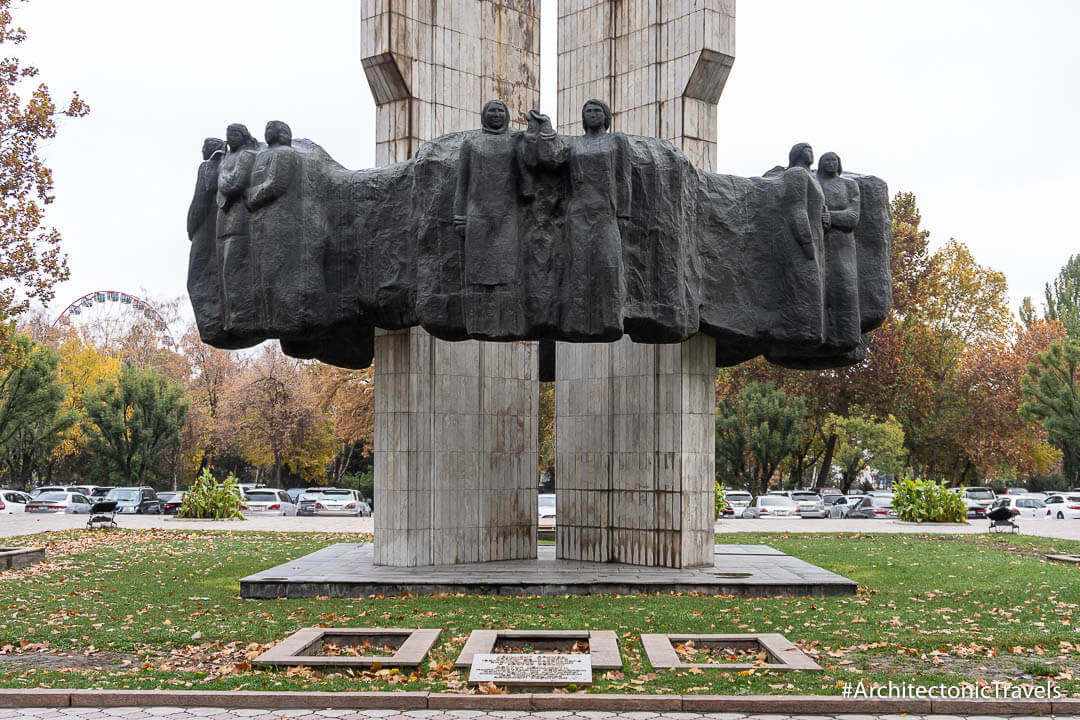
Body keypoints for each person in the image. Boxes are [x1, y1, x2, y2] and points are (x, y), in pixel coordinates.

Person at [453, 99, 526, 336]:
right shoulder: (471, 143)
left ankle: (508, 324)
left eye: (500, 111)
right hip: (478, 214)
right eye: (492, 110)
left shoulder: (516, 140)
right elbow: (462, 184)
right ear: (484, 115)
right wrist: (459, 216)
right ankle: (478, 323)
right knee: (478, 271)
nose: (496, 114)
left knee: (506, 271)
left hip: (507, 215)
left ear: (507, 115)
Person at [246, 120, 304, 334]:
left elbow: (277, 183)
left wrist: (252, 196)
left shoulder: (286, 154)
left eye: (272, 128)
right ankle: (266, 317)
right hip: (259, 219)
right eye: (266, 128)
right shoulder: (261, 155)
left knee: (275, 270)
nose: (267, 131)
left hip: (278, 218)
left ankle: (281, 317)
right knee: (260, 273)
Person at [216, 123, 261, 341]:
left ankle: (240, 316)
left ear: (243, 136)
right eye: (227, 134)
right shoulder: (227, 158)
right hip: (224, 219)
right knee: (225, 271)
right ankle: (229, 317)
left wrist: (221, 174)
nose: (230, 138)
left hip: (239, 220)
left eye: (234, 134)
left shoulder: (246, 156)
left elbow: (234, 184)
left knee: (234, 268)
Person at [816, 151, 862, 352]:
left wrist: (830, 217)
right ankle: (822, 333)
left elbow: (853, 216)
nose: (831, 163)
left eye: (834, 160)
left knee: (845, 287)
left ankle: (847, 334)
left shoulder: (849, 185)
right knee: (822, 287)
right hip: (819, 241)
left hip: (843, 243)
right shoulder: (815, 183)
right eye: (827, 160)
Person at [186, 138, 226, 344]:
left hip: (206, 229)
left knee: (196, 277)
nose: (201, 150)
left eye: (203, 147)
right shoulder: (229, 166)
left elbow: (199, 201)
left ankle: (211, 320)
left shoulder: (208, 167)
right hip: (224, 228)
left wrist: (191, 227)